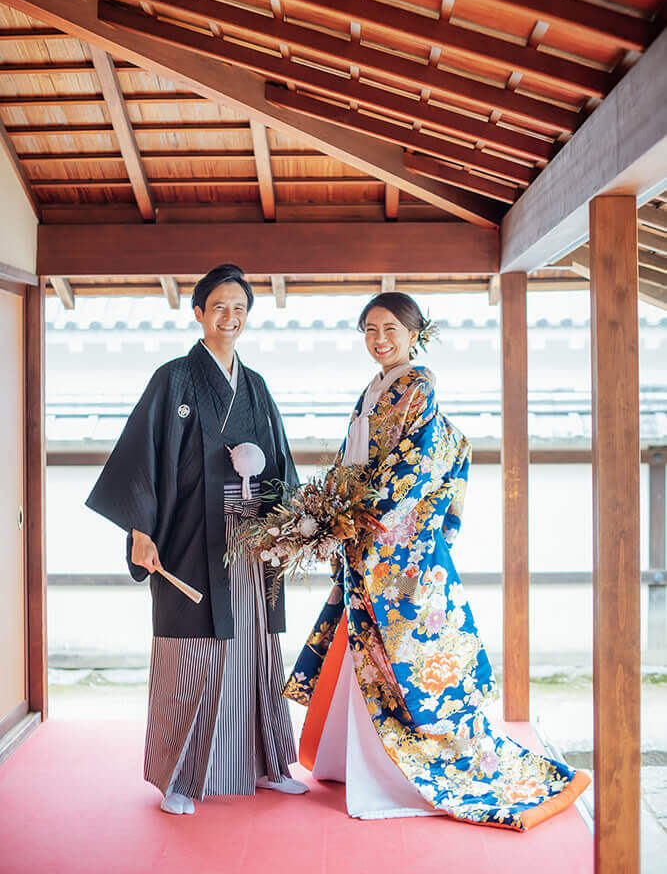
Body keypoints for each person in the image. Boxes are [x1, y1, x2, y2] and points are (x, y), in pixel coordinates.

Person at [284, 292, 590, 830]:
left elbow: (414, 464)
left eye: (390, 330)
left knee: (407, 660)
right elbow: (352, 458)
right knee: (368, 651)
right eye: (370, 330)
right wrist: (328, 506)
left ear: (413, 332)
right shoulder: (377, 387)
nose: (379, 340)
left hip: (393, 544)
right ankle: (357, 762)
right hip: (367, 537)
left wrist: (361, 514)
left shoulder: (418, 385)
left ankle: (397, 771)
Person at [86, 263, 307, 814]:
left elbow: (279, 461)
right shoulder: (175, 379)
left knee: (255, 645)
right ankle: (181, 780)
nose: (229, 318)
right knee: (192, 653)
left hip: (251, 539)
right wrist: (140, 527)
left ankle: (268, 763)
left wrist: (292, 525)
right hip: (189, 537)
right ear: (199, 313)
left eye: (239, 309)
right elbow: (144, 453)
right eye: (219, 307)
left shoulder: (254, 386)